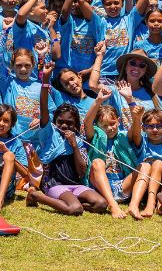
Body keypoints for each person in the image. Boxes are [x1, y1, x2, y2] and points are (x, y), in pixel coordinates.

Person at [21, 63, 106, 215]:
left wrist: (74, 146)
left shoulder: (79, 140)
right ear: (54, 122)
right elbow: (44, 107)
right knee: (75, 209)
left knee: (101, 204)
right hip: (55, 184)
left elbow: (81, 172)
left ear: (76, 125)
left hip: (76, 185)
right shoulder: (49, 133)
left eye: (70, 123)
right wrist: (45, 78)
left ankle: (69, 199)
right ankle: (36, 195)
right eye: (61, 122)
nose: (65, 126)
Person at [127, 98, 162, 219]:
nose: (155, 130)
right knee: (156, 164)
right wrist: (136, 117)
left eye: (159, 126)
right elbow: (135, 134)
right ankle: (151, 203)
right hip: (142, 185)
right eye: (150, 126)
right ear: (143, 128)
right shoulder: (142, 141)